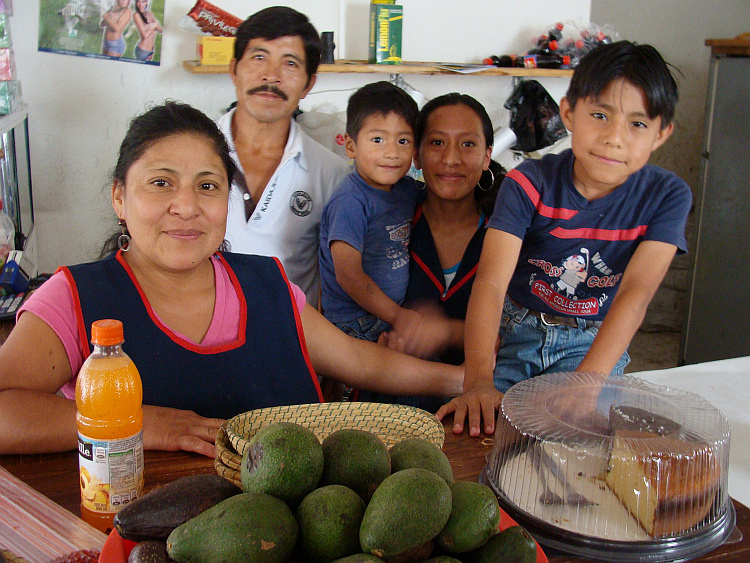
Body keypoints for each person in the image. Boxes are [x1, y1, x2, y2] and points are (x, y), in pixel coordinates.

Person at [0, 102, 463, 458]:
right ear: (120, 198)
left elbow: (362, 362)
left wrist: (468, 382)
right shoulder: (76, 296)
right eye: (161, 183)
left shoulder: (268, 285)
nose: (187, 206)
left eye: (207, 186)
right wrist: (139, 423)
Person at [437, 41, 692, 437]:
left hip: (593, 343)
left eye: (637, 124)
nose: (615, 138)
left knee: (582, 447)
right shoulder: (527, 183)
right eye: (600, 115)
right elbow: (490, 283)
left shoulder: (667, 197)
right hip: (515, 332)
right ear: (569, 112)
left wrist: (588, 382)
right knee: (487, 435)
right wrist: (478, 383)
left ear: (662, 134)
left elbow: (635, 294)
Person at [220, 6, 349, 309]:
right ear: (233, 69)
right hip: (201, 341)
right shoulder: (192, 155)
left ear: (308, 84)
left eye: (290, 63)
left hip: (291, 345)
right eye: (259, 57)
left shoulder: (332, 175)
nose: (271, 76)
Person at [383, 93, 502, 367]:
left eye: (468, 144)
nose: (451, 159)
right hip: (395, 400)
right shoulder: (390, 226)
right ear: (417, 155)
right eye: (437, 142)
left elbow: (524, 337)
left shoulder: (505, 235)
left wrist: (446, 331)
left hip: (481, 399)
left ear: (486, 158)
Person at [319, 81, 420, 343]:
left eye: (403, 140)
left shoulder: (407, 189)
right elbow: (349, 276)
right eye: (377, 139)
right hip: (354, 321)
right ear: (351, 147)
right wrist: (399, 317)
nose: (392, 152)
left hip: (387, 313)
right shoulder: (351, 201)